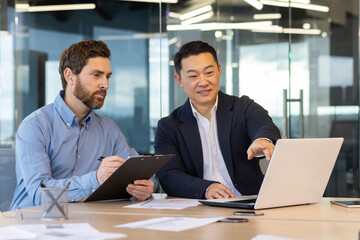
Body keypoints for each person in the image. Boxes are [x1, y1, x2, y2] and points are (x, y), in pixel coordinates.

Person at [10, 40, 154, 210]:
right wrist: (96, 179)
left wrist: (144, 187)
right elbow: (38, 194)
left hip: (85, 222)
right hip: (30, 225)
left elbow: (143, 173)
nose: (105, 85)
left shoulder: (109, 130)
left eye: (107, 76)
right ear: (69, 76)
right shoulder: (34, 126)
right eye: (96, 75)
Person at [155, 41, 281, 200]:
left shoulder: (242, 107)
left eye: (209, 73)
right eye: (193, 76)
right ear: (179, 80)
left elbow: (263, 124)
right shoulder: (169, 126)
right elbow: (168, 175)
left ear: (219, 70)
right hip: (200, 207)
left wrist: (263, 140)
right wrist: (205, 188)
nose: (203, 82)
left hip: (249, 203)